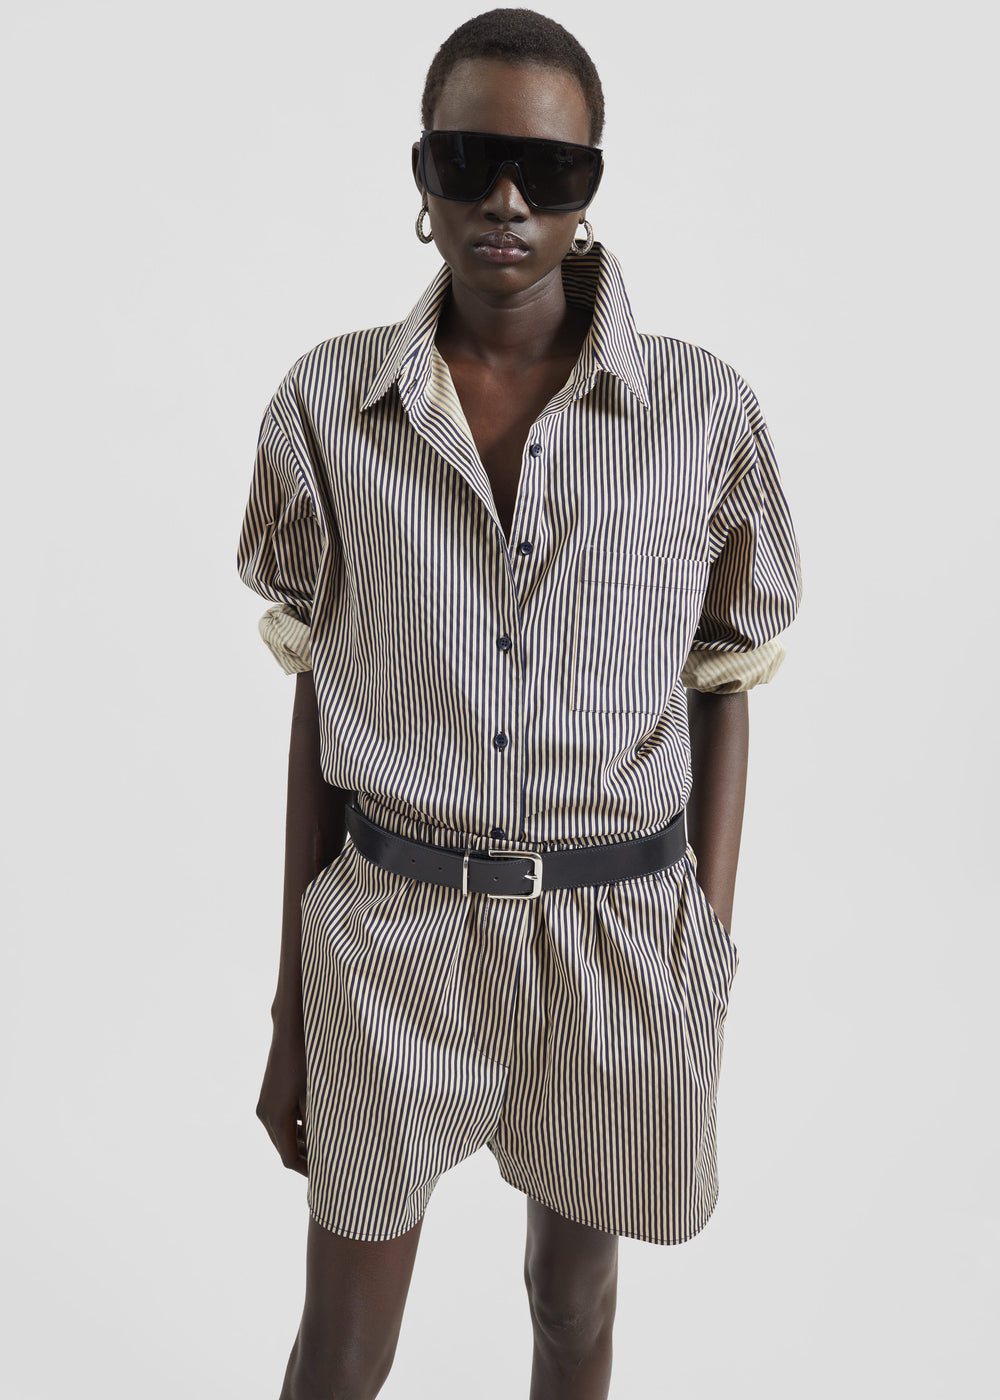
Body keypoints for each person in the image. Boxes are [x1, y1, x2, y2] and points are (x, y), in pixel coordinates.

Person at [237, 9, 802, 1399]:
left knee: (573, 1303)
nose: (506, 200)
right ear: (420, 176)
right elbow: (317, 706)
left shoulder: (703, 416)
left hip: (617, 937)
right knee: (343, 1348)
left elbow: (724, 685)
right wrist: (292, 1010)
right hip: (393, 934)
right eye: (470, 160)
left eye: (550, 171)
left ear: (591, 186)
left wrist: (704, 948)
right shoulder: (328, 408)